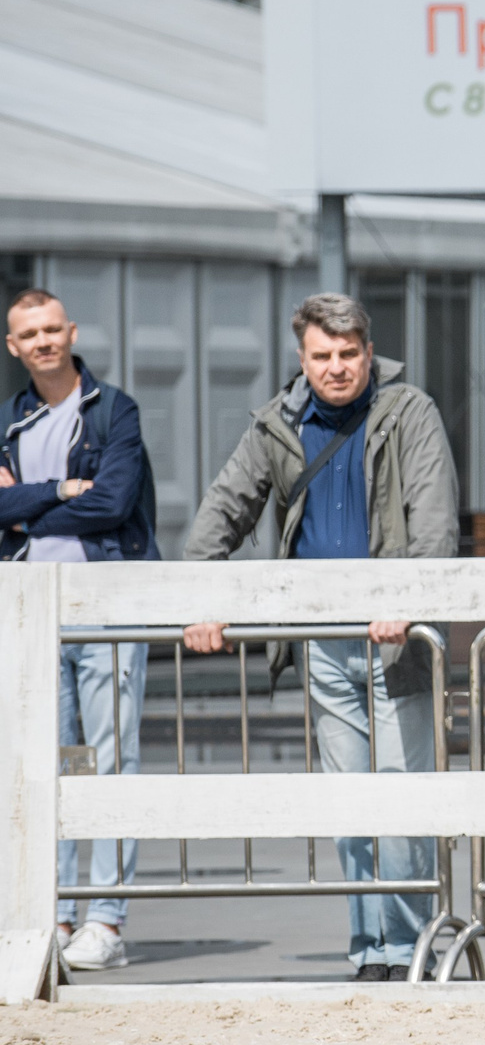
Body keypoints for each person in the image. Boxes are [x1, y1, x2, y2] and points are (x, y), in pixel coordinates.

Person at [182, 294, 460, 981]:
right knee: (348, 803)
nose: (335, 368)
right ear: (301, 359)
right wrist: (200, 596)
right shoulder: (278, 422)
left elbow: (433, 521)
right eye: (321, 356)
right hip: (321, 638)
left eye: (348, 354)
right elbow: (225, 507)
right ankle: (371, 949)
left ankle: (410, 947)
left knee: (398, 793)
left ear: (369, 353)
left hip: (396, 637)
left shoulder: (409, 413)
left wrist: (408, 600)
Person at [2, 288, 158, 973]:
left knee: (111, 756)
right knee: (57, 762)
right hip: (36, 615)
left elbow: (115, 502)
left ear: (70, 333)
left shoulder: (113, 410)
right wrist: (62, 492)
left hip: (104, 603)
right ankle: (56, 912)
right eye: (28, 333)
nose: (42, 341)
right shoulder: (8, 421)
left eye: (50, 329)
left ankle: (106, 916)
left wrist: (26, 510)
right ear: (14, 347)